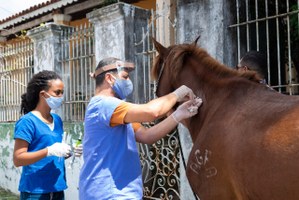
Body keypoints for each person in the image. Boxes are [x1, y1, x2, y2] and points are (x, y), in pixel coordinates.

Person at [79, 57, 202, 200]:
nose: (128, 82)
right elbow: (151, 112)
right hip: (109, 193)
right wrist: (177, 94)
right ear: (109, 78)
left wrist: (178, 115)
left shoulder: (117, 112)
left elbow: (147, 135)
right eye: (125, 77)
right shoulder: (104, 104)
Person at [13, 70, 81, 200]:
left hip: (57, 187)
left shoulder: (57, 120)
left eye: (62, 92)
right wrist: (49, 151)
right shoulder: (27, 122)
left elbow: (54, 155)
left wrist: (68, 152)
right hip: (35, 191)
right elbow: (18, 159)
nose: (61, 96)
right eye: (57, 93)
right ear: (43, 94)